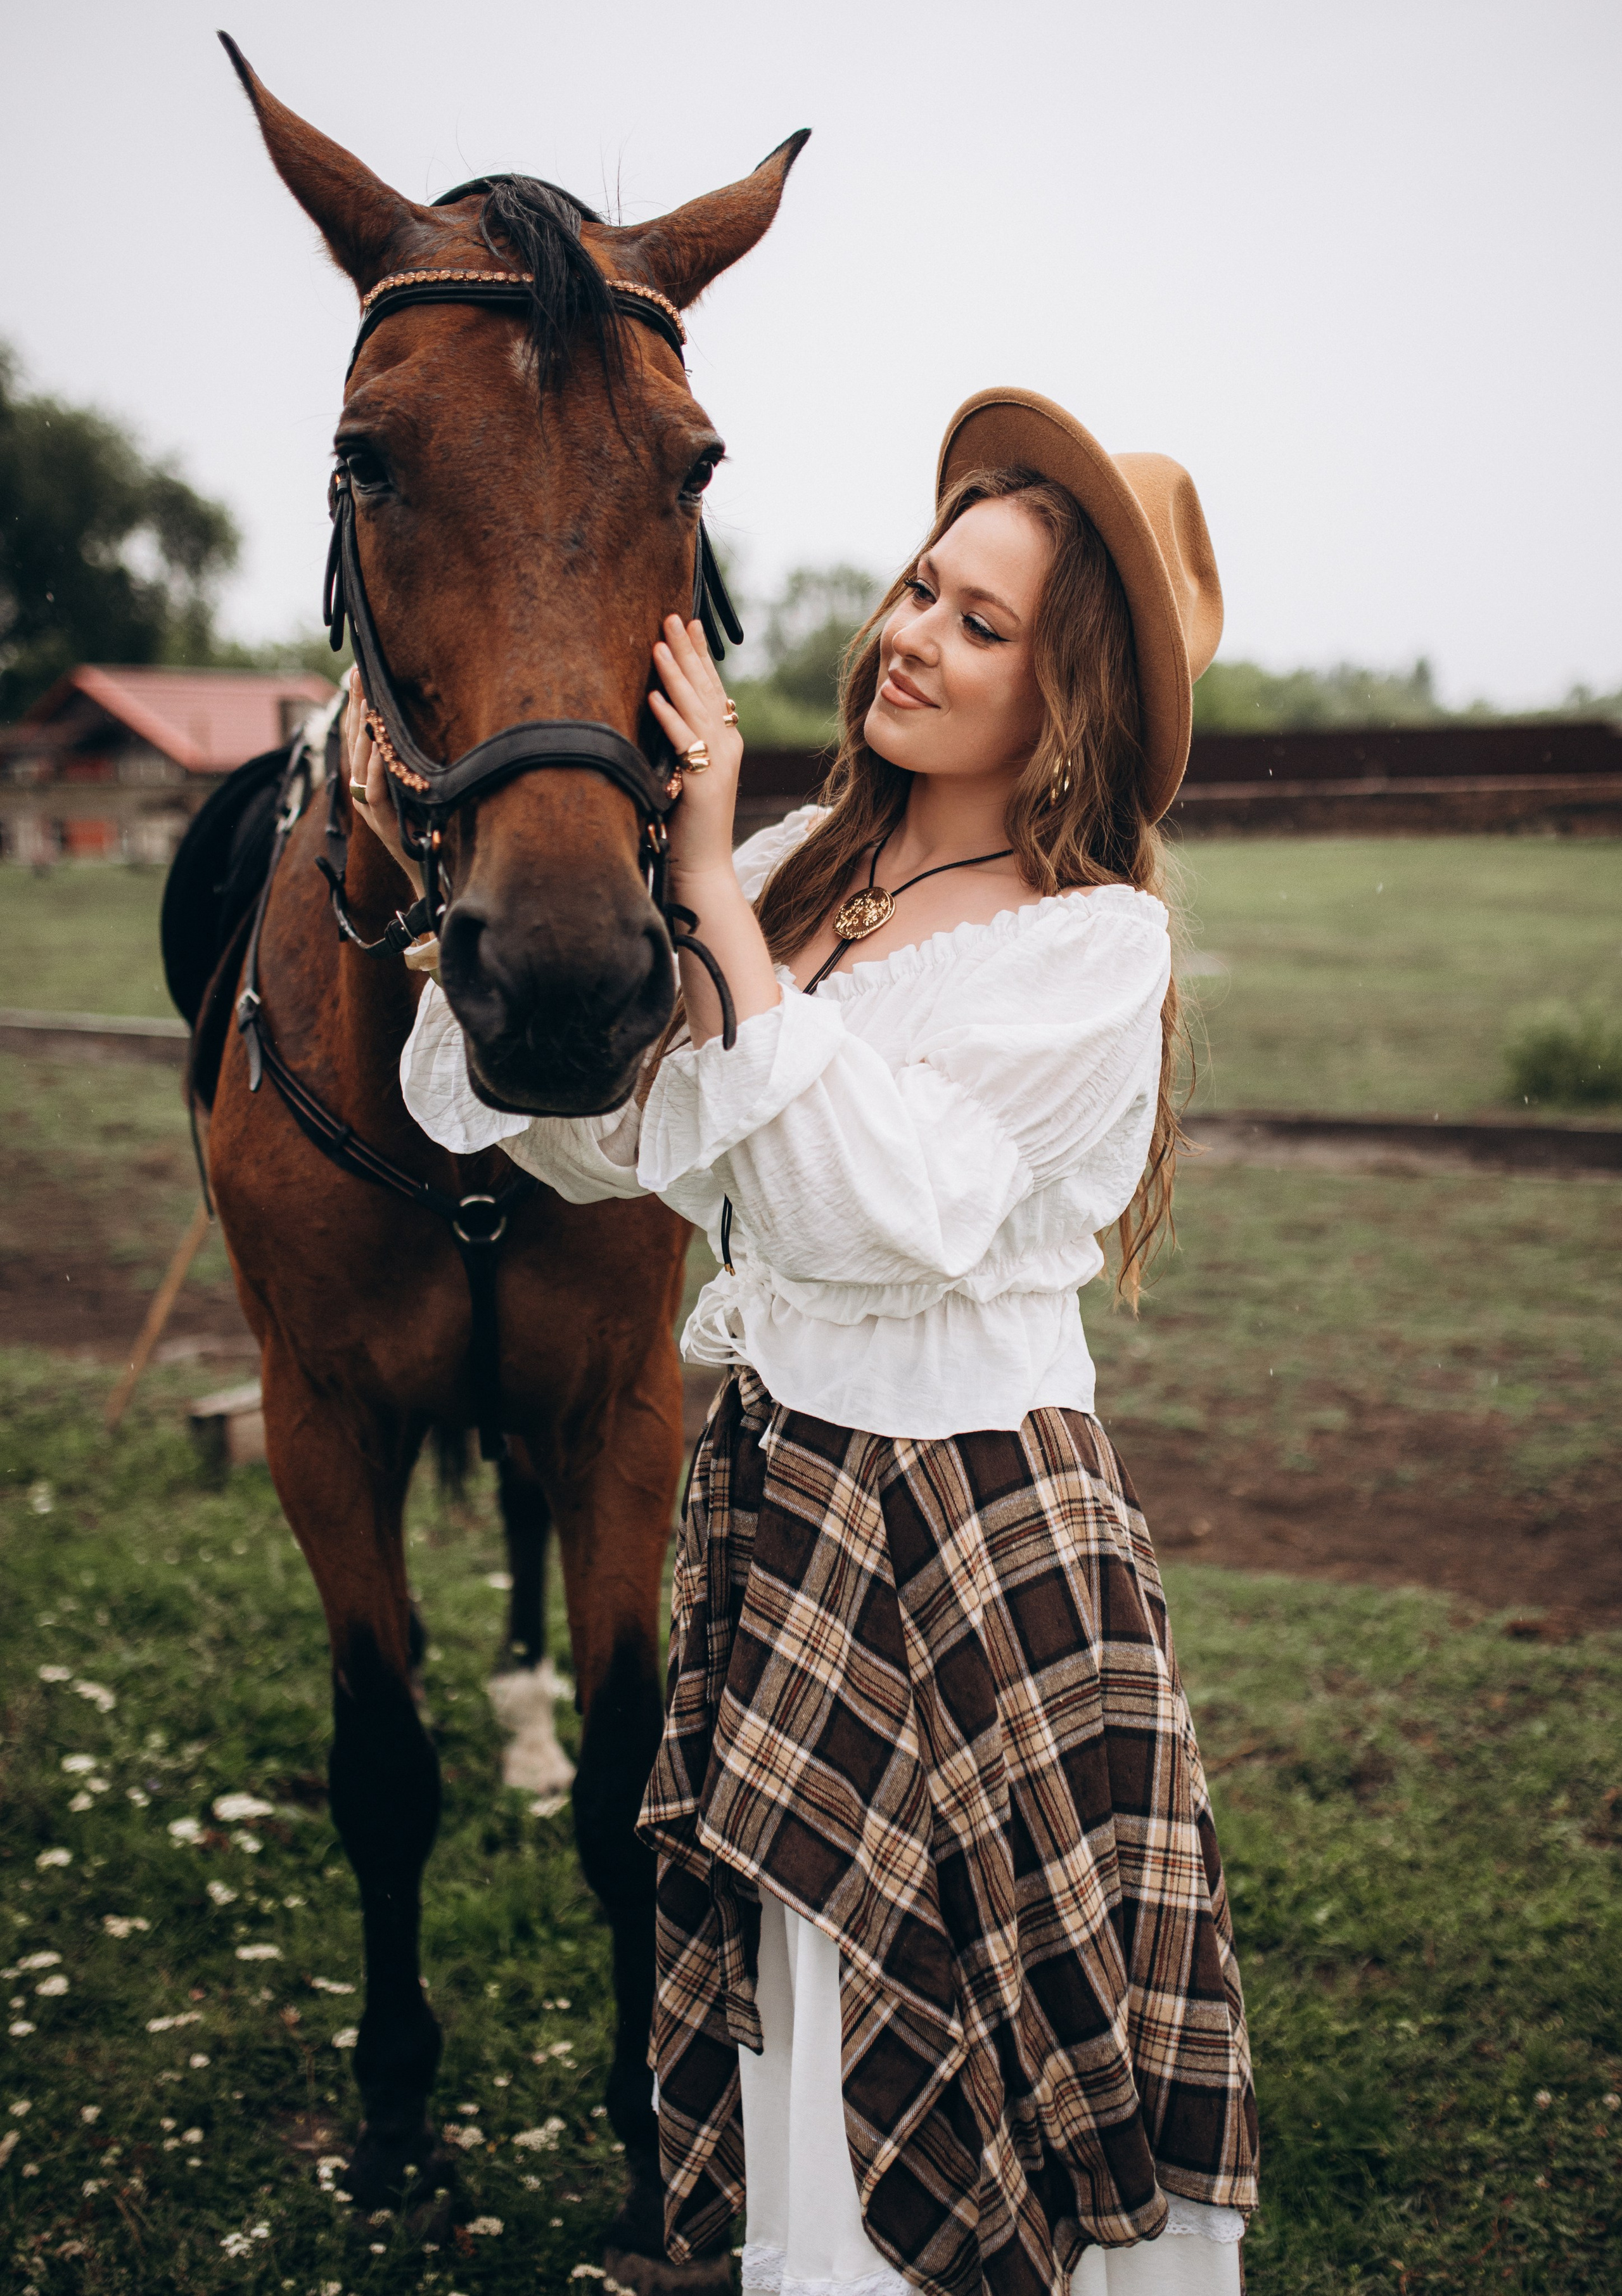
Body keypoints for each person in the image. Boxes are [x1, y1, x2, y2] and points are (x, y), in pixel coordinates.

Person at [354, 387, 1258, 2296]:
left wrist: (711, 905)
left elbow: (891, 1206)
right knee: (818, 1997)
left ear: (1067, 690)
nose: (913, 635)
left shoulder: (1089, 945)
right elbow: (620, 1141)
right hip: (789, 1512)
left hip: (982, 1538)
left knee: (991, 2013)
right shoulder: (799, 878)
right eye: (923, 587)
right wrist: (460, 931)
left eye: (984, 622)